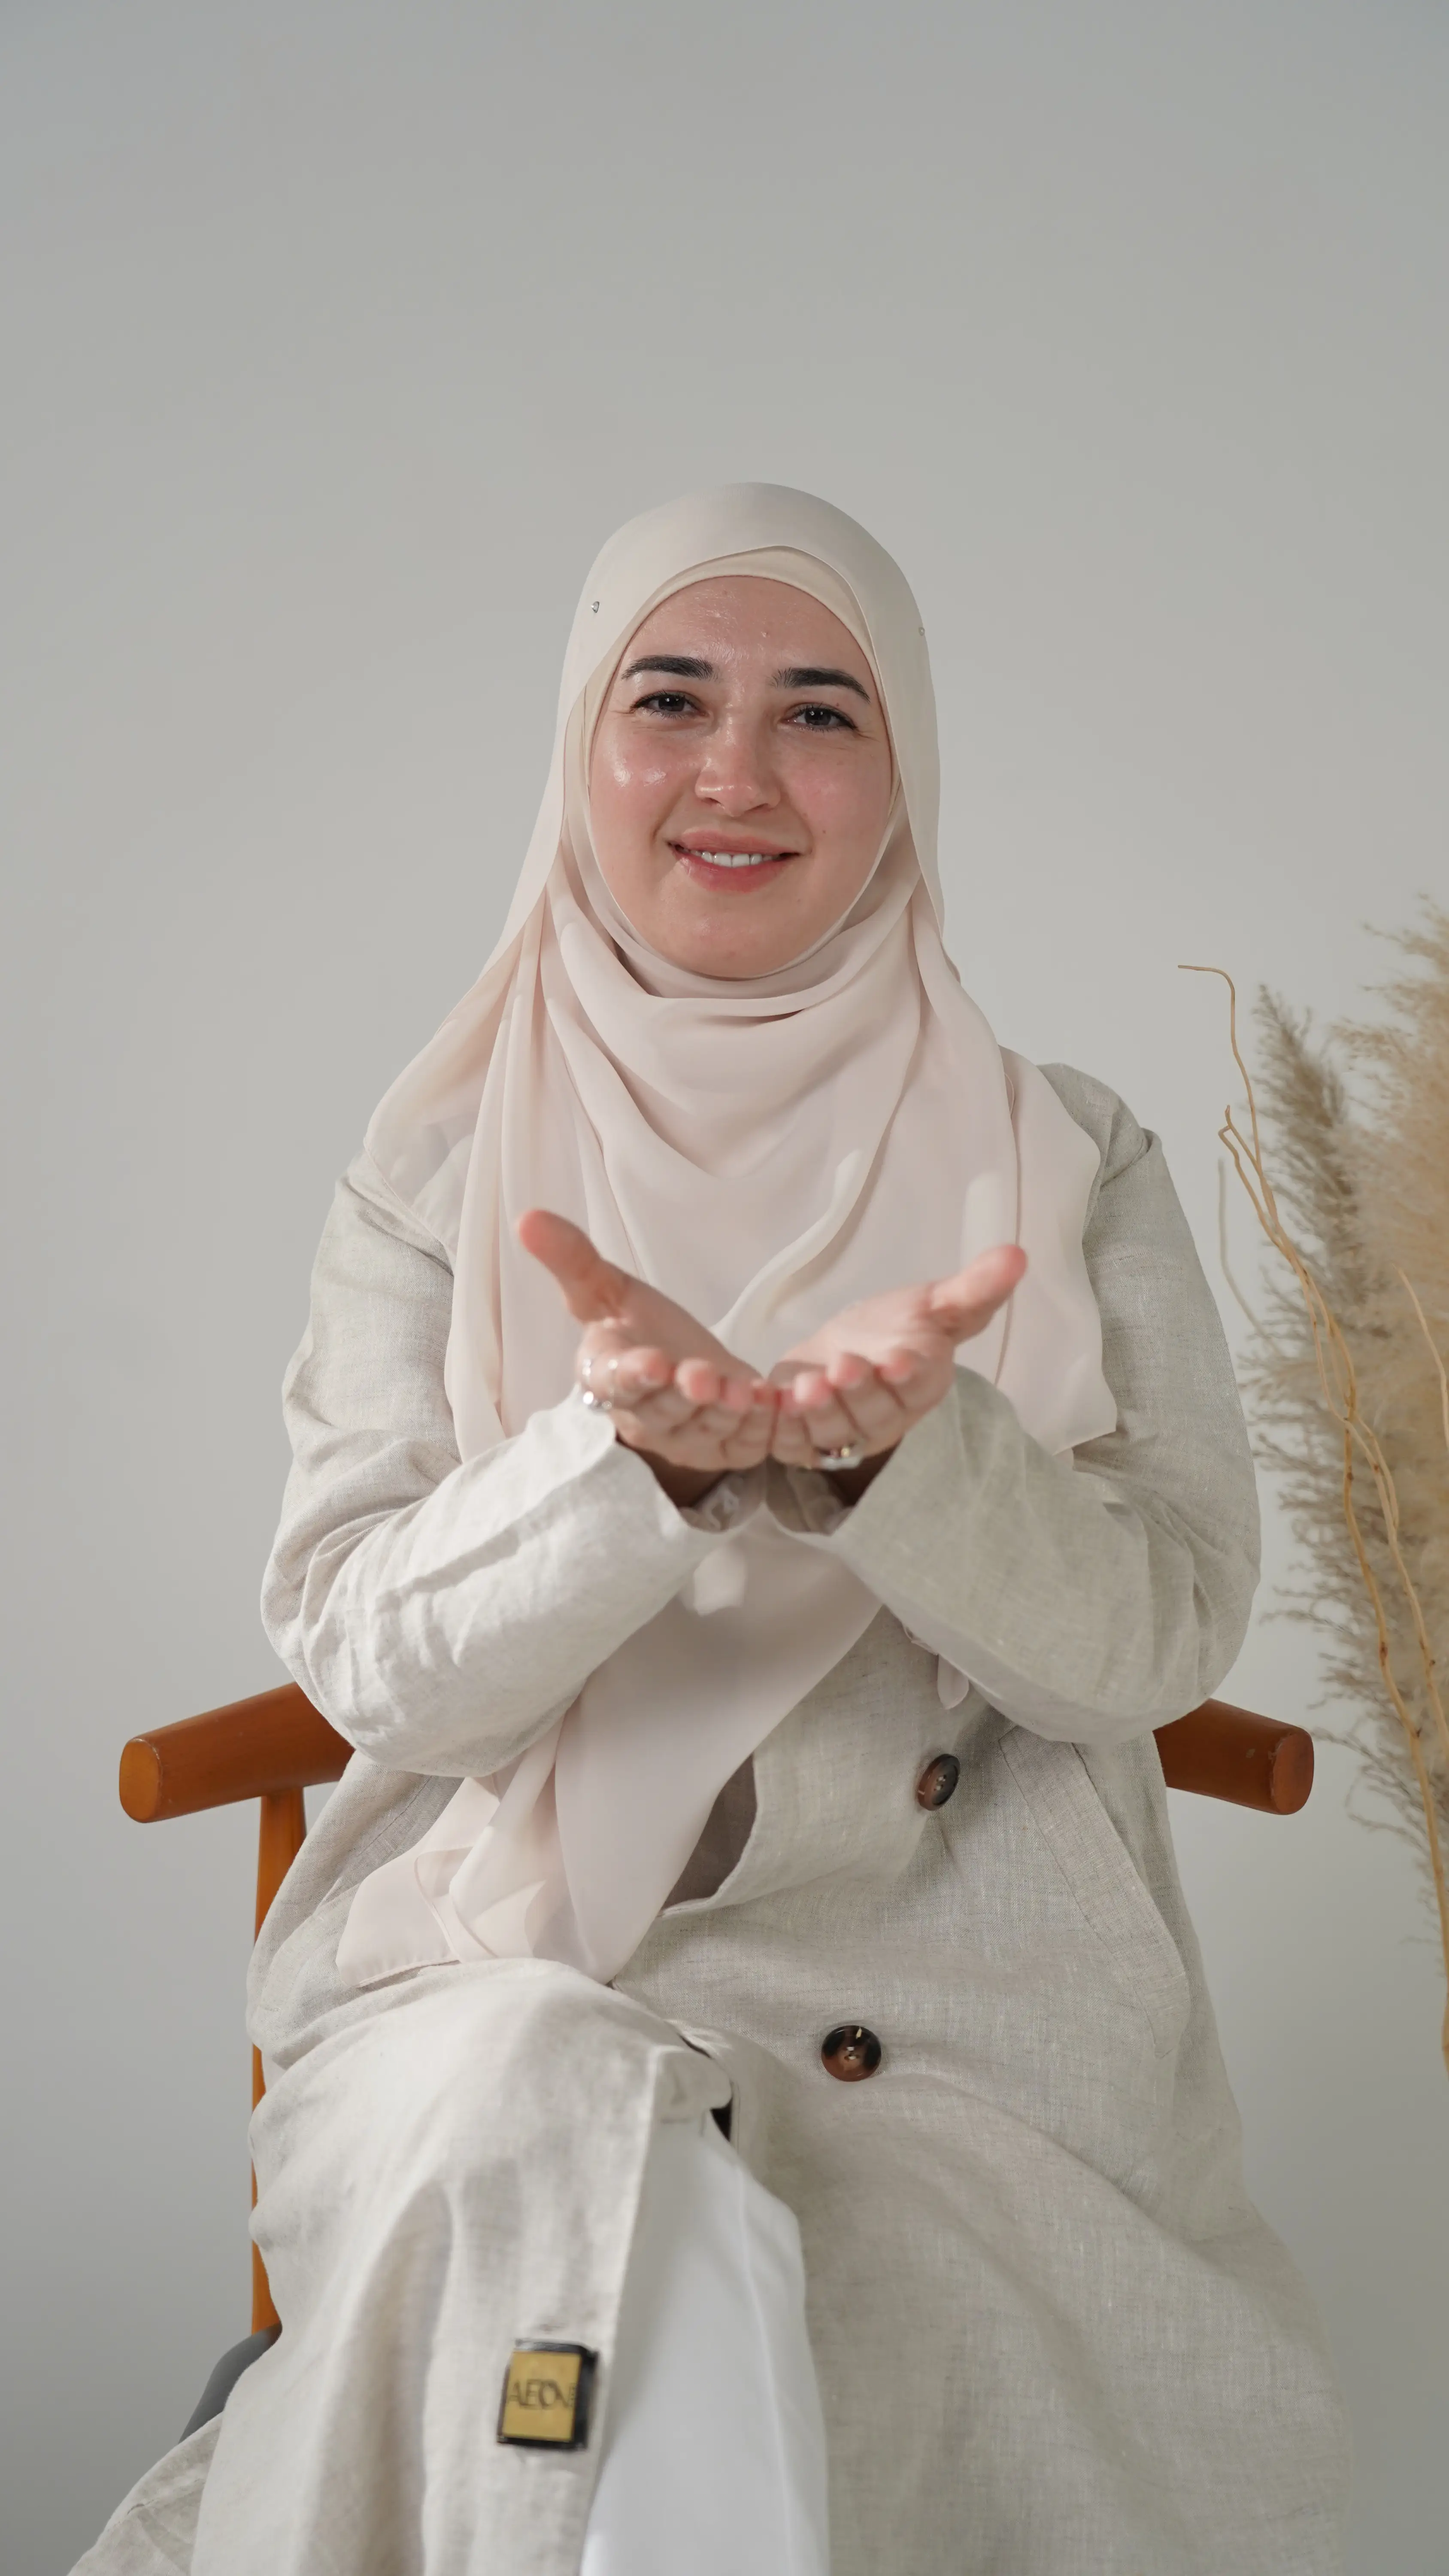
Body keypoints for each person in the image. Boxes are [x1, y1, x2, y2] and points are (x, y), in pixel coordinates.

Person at [76, 484, 1349, 2576]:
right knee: (552, 2132)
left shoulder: (1067, 1157)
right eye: (667, 699)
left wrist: (909, 1465)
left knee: (779, 2268)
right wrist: (631, 1473)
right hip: (491, 1967)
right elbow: (370, 1658)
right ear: (582, 748)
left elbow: (1158, 1636)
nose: (736, 773)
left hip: (963, 2012)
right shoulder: (439, 1165)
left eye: (819, 712)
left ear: (903, 772)